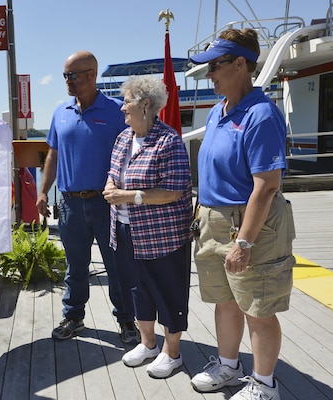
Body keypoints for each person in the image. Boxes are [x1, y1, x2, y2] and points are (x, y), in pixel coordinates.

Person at [188, 29, 296, 400]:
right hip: (213, 220)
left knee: (258, 308)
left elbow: (266, 185)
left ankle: (265, 384)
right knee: (225, 301)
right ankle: (229, 365)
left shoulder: (261, 113)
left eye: (215, 65)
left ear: (240, 65)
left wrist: (245, 241)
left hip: (249, 226)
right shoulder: (220, 111)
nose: (209, 73)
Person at [36, 50, 139, 344]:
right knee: (75, 264)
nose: (67, 81)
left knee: (118, 264)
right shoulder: (60, 113)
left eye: (72, 75)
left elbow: (135, 154)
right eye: (65, 75)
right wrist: (43, 191)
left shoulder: (118, 112)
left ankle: (126, 320)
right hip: (70, 204)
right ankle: (73, 316)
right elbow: (53, 155)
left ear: (92, 75)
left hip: (108, 203)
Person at [103, 76, 193, 379]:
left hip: (162, 235)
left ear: (145, 105)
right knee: (137, 289)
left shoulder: (169, 141)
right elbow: (113, 173)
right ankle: (148, 344)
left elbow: (173, 191)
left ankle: (172, 352)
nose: (122, 108)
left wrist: (126, 196)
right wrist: (109, 187)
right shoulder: (123, 138)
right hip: (125, 229)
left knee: (167, 291)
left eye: (126, 101)